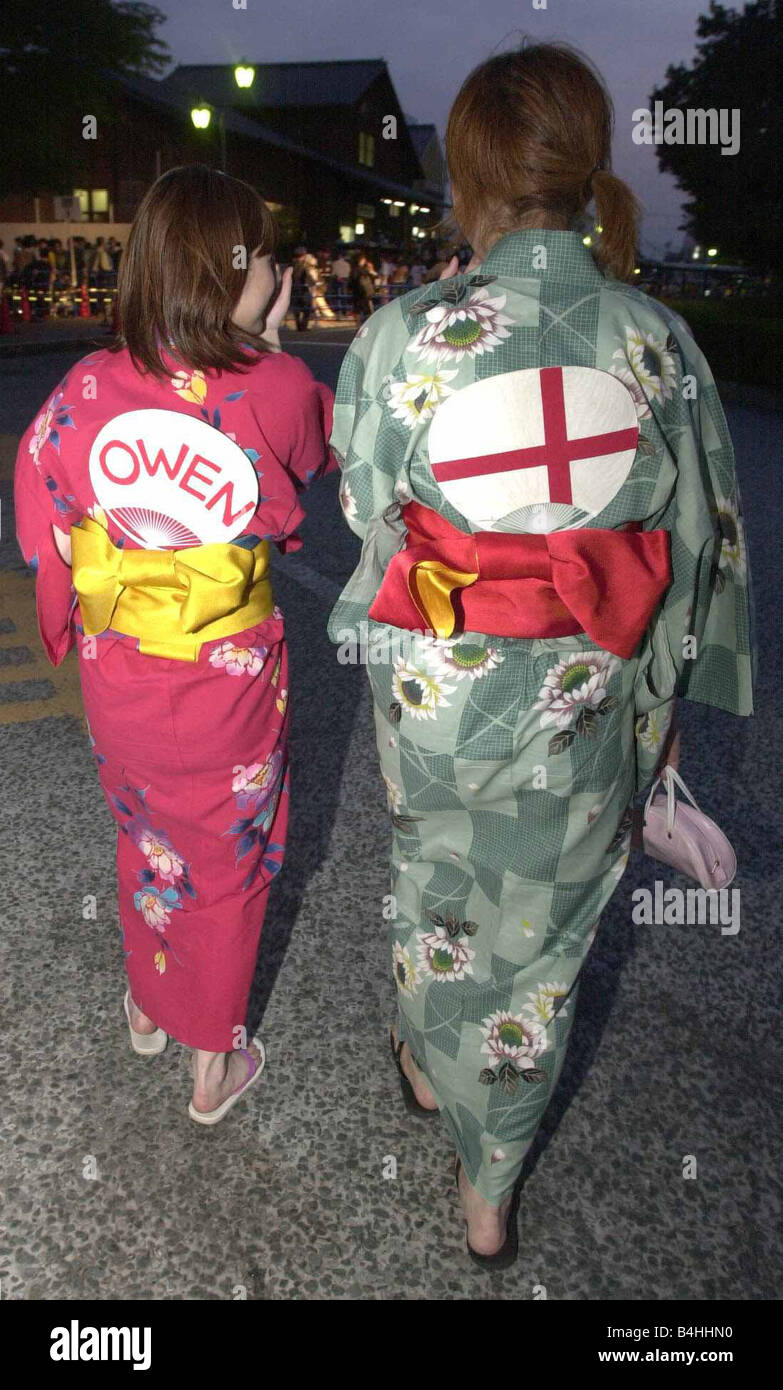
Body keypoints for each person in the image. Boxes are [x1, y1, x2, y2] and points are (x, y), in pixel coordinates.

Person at [327, 43, 754, 1266]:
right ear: (582, 167)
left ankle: (421, 1047)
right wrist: (671, 693)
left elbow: (370, 514)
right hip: (586, 693)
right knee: (549, 944)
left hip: (441, 688)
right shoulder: (654, 338)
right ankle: (489, 1187)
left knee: (434, 887)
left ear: (469, 171)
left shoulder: (404, 335)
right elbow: (701, 541)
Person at [15, 165, 335, 1123]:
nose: (274, 275)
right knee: (229, 857)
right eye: (265, 259)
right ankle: (211, 1061)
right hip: (227, 681)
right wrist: (268, 353)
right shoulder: (274, 386)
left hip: (122, 676)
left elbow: (40, 524)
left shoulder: (85, 385)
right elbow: (308, 473)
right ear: (226, 271)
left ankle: (150, 1010)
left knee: (146, 833)